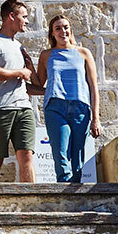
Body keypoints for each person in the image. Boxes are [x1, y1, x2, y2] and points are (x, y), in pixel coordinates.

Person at [33, 15, 103, 183]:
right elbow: (39, 84)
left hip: (80, 107)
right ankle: (63, 193)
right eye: (57, 28)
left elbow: (93, 87)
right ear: (52, 34)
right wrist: (26, 70)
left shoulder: (84, 53)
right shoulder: (46, 55)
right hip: (55, 107)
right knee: (61, 152)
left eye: (65, 27)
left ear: (70, 30)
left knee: (77, 156)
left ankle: (75, 196)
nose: (62, 31)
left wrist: (96, 119)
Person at [0, 0, 38, 184]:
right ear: (11, 16)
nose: (27, 21)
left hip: (23, 108)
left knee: (26, 155)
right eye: (24, 16)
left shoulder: (20, 47)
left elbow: (24, 83)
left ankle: (31, 202)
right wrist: (20, 72)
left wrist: (48, 90)